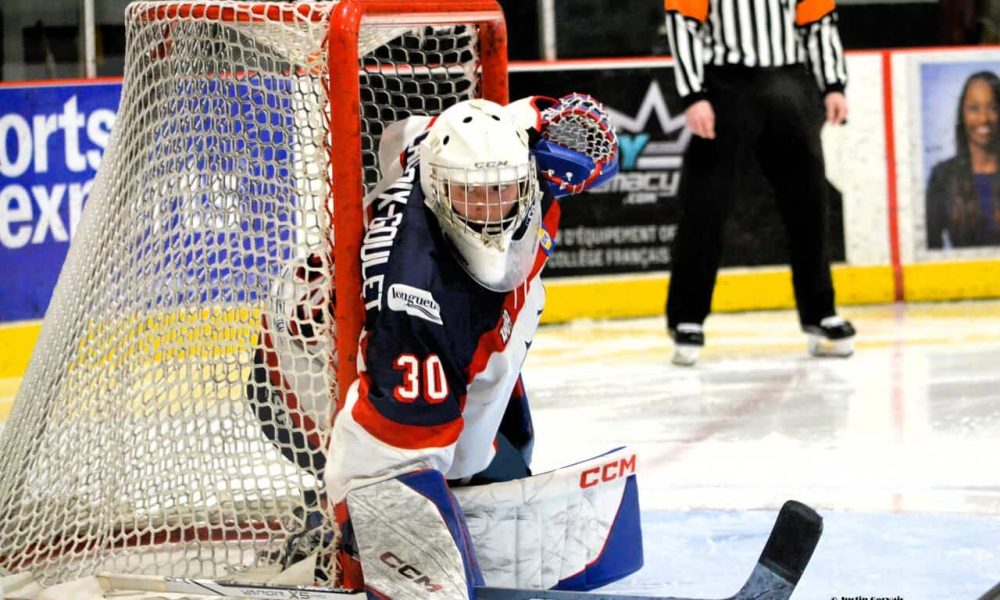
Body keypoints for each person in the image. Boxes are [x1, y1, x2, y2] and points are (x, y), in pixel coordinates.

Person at [250, 95, 631, 595]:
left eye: (506, 192)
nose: (493, 213)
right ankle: (322, 537)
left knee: (504, 434)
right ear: (437, 190)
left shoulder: (467, 150)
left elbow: (419, 134)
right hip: (304, 384)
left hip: (346, 335)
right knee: (437, 468)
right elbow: (379, 469)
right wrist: (396, 543)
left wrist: (550, 123)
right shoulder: (420, 302)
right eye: (475, 197)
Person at [662, 0, 856, 366]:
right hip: (726, 84)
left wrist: (833, 83)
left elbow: (818, 21)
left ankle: (819, 313)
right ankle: (687, 318)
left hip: (790, 82)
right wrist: (694, 94)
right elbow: (682, 25)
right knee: (705, 205)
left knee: (809, 203)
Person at [925, 70, 1000, 250]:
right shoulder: (942, 176)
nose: (984, 119)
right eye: (974, 108)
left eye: (993, 108)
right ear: (962, 115)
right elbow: (930, 247)